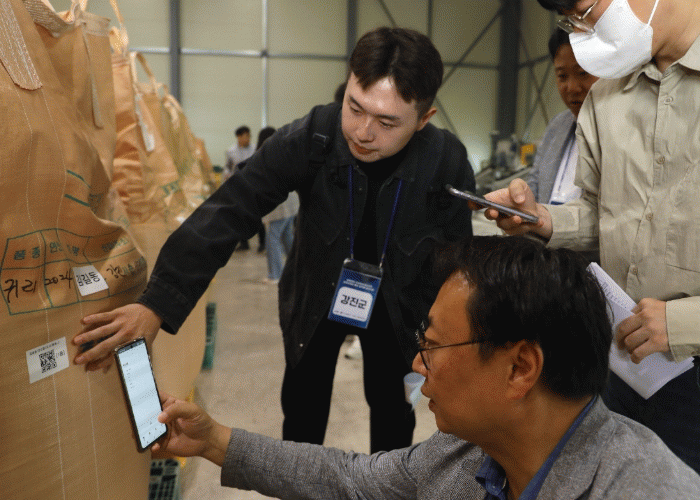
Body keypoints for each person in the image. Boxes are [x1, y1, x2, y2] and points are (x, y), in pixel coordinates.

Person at [73, 27, 475, 454]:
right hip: (318, 296)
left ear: (424, 119)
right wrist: (157, 303)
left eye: (387, 122)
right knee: (303, 412)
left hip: (399, 308)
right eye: (354, 107)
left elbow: (459, 262)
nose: (362, 132)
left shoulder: (445, 161)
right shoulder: (315, 137)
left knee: (394, 415)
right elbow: (233, 207)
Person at [152, 236, 700, 499]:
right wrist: (213, 440)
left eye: (433, 344)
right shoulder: (465, 455)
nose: (417, 363)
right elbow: (350, 478)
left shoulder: (648, 489)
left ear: (520, 368)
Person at [477, 0, 700, 473]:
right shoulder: (607, 95)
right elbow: (604, 211)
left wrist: (685, 323)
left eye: (585, 9)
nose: (583, 31)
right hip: (623, 359)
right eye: (570, 20)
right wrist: (543, 219)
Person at [527, 29, 598, 205]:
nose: (572, 88)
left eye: (582, 73)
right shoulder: (557, 125)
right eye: (562, 76)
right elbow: (534, 184)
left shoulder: (620, 128)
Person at [257, 126, 299, 283]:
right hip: (291, 201)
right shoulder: (283, 150)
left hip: (281, 202)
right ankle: (297, 268)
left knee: (272, 237)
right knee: (287, 235)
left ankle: (275, 274)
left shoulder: (267, 154)